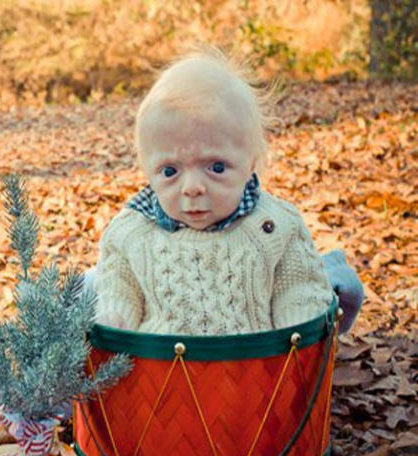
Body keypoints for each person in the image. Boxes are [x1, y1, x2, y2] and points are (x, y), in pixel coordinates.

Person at [87, 46, 363, 335]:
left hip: (255, 370)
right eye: (170, 171)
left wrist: (300, 323)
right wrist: (115, 317)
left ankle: (334, 272)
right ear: (147, 171)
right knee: (90, 285)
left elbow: (298, 285)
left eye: (216, 167)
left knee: (330, 281)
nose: (192, 188)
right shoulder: (131, 233)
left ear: (250, 163)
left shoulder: (275, 227)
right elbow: (118, 286)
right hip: (159, 372)